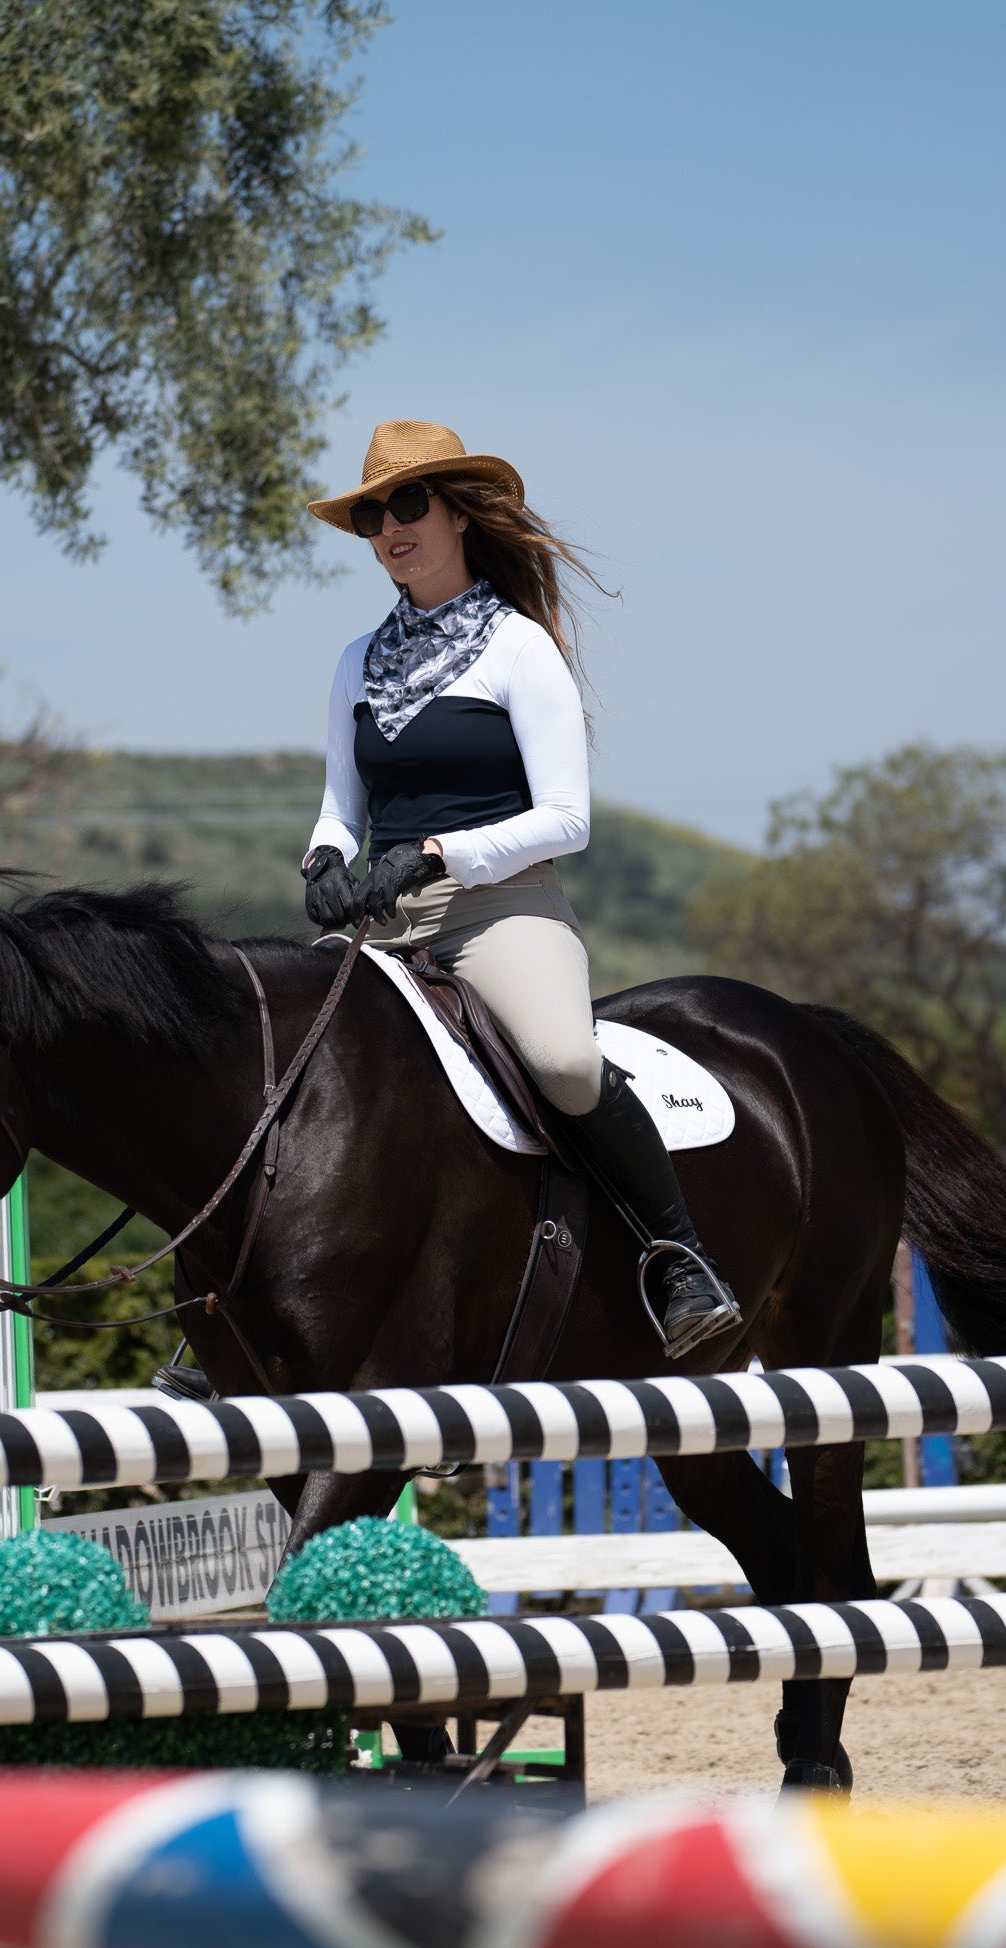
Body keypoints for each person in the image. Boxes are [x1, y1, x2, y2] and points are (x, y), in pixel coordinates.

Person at [301, 419, 740, 1358]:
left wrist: (436, 854)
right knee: (284, 1066)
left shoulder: (518, 648)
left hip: (499, 909)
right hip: (384, 919)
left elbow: (567, 818)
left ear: (458, 514)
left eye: (408, 503)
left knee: (565, 1064)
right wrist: (324, 862)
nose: (389, 525)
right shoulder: (354, 663)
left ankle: (677, 1257)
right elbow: (341, 803)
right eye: (374, 512)